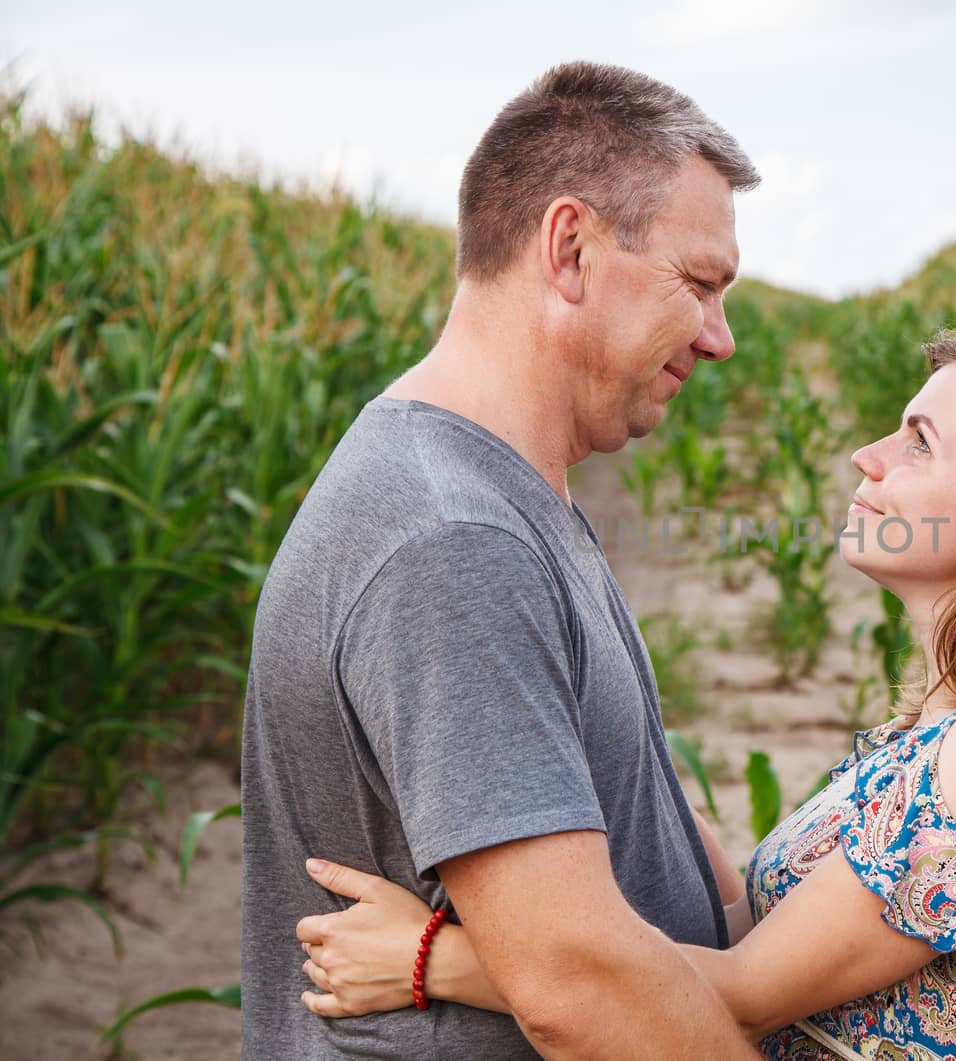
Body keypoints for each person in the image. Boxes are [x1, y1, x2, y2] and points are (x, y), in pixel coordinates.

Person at [294, 334, 956, 1058]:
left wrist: (430, 960)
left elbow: (738, 993)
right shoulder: (949, 730)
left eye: (918, 441)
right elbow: (743, 925)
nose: (866, 456)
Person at [239, 61, 765, 1059]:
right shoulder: (451, 537)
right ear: (569, 247)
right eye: (697, 284)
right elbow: (576, 986)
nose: (719, 337)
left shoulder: (514, 491)